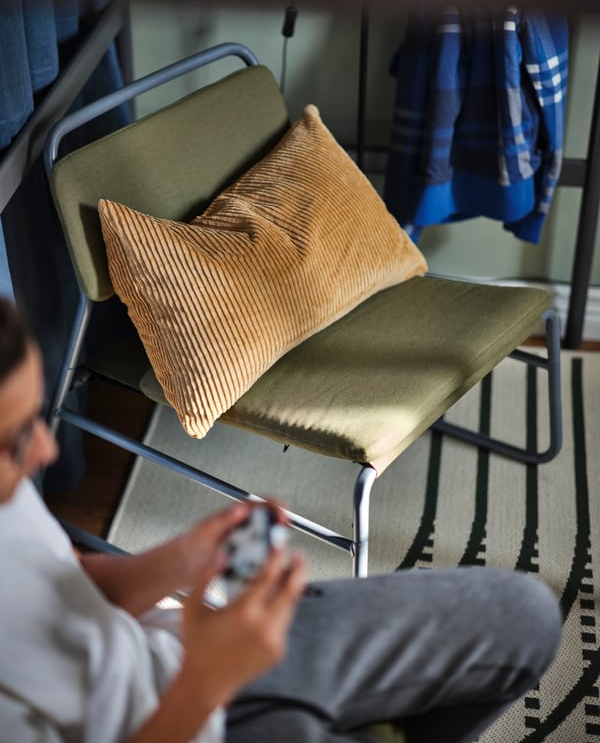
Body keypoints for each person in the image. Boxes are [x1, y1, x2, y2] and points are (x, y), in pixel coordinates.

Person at [0, 295, 562, 743]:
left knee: (526, 613)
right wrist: (208, 683)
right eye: (16, 437)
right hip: (187, 707)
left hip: (180, 659)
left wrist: (185, 557)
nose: (45, 450)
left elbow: (64, 585)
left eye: (35, 414)